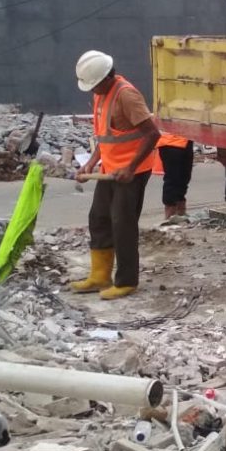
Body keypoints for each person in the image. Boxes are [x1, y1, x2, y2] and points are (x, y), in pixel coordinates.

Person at [71, 51, 160, 300]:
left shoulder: (126, 95)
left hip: (131, 172)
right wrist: (90, 163)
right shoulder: (101, 96)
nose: (92, 91)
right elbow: (106, 136)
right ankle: (100, 276)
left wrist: (130, 167)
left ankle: (126, 281)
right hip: (110, 170)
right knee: (98, 218)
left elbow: (152, 134)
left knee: (122, 224)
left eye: (94, 85)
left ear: (107, 78)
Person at [157, 132, 194, 219]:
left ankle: (181, 212)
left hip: (185, 139)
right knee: (172, 179)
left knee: (184, 177)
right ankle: (170, 216)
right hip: (170, 142)